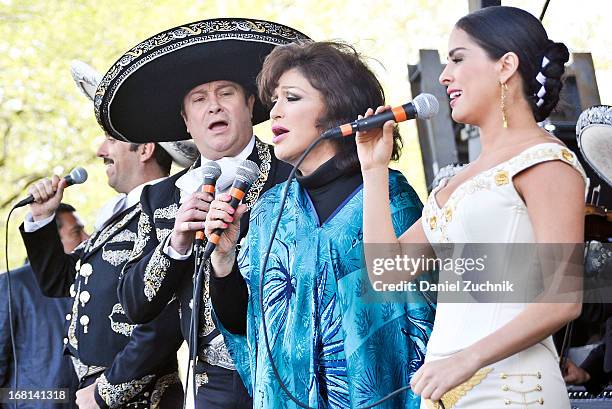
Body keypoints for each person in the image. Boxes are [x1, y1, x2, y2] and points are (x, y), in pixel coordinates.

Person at [356, 6, 588, 408]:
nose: (444, 75)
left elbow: (563, 299)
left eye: (458, 59)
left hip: (516, 389)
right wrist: (373, 171)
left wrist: (467, 359)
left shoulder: (546, 162)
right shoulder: (455, 180)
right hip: (445, 387)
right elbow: (387, 274)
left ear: (505, 66)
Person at [205, 41, 434, 409]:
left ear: (337, 110)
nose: (274, 111)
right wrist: (223, 259)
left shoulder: (389, 197)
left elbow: (422, 319)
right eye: (274, 100)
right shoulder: (269, 209)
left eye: (291, 98)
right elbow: (245, 325)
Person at [107, 18, 309, 407]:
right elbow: (136, 306)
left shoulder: (293, 177)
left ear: (251, 103)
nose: (213, 105)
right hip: (210, 389)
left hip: (288, 378)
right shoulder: (161, 197)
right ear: (186, 121)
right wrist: (176, 242)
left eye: (226, 93)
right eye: (198, 100)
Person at [18, 61, 196, 408]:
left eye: (112, 139)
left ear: (144, 149)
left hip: (139, 399)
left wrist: (106, 392)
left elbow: (163, 319)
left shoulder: (168, 208)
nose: (100, 150)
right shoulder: (122, 213)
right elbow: (62, 282)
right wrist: (41, 218)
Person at [0, 203, 84, 409]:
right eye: (76, 232)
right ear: (51, 239)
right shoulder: (12, 283)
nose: (87, 238)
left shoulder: (85, 281)